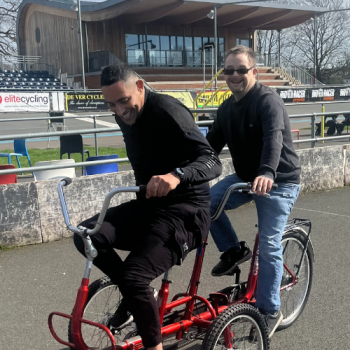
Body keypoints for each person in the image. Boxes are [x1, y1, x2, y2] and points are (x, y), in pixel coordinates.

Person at [73, 65, 222, 350]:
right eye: (111, 105)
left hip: (186, 211)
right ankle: (138, 297)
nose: (119, 110)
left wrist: (176, 175)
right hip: (150, 206)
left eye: (124, 101)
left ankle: (153, 344)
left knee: (133, 277)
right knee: (86, 235)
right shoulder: (124, 115)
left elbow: (213, 161)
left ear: (140, 87)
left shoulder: (167, 110)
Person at [206, 46, 301, 337]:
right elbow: (209, 148)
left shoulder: (267, 100)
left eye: (241, 70)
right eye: (229, 70)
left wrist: (267, 172)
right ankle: (234, 250)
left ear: (254, 73)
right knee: (207, 202)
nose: (234, 75)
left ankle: (270, 309)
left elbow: (274, 138)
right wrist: (184, 171)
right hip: (247, 179)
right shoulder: (226, 108)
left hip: (279, 180)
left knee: (269, 245)